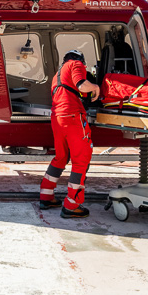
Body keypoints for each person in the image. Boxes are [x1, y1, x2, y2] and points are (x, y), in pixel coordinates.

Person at [39, 49, 101, 218]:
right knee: (81, 160)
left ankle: (46, 196)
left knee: (61, 157)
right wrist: (95, 87)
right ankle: (72, 206)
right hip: (73, 117)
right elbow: (81, 84)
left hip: (57, 118)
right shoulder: (76, 64)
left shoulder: (57, 75)